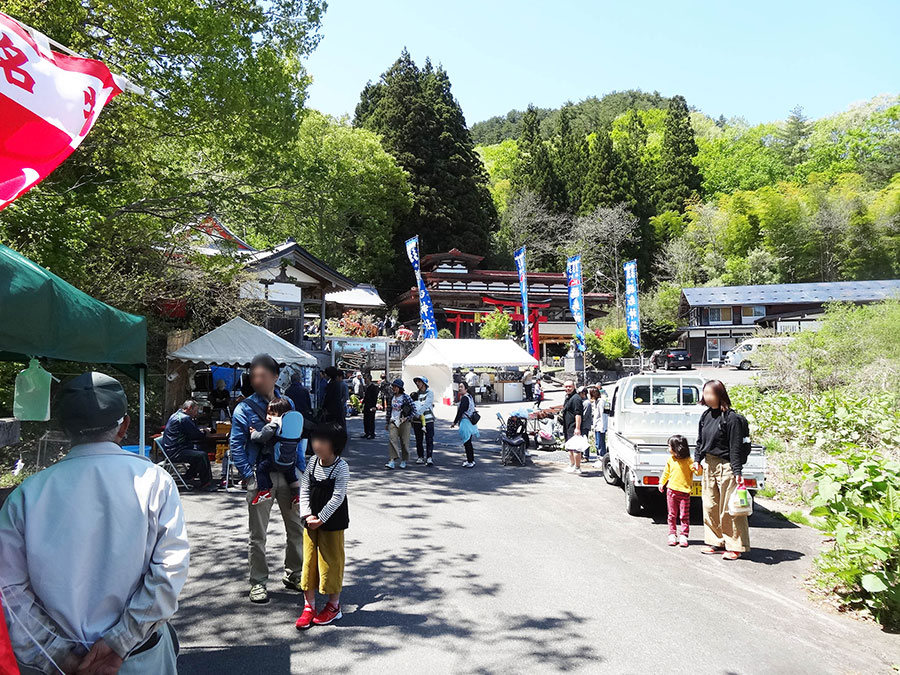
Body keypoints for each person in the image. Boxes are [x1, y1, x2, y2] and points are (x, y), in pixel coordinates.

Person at [0, 372, 189, 674]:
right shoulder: (154, 481)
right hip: (140, 659)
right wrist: (119, 641)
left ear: (63, 428)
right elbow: (169, 571)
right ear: (124, 426)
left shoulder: (26, 495)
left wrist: (56, 653)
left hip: (60, 666)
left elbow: (9, 591)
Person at [230, 354, 306, 604]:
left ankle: (294, 574)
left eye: (262, 375)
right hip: (260, 475)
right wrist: (247, 475)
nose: (257, 379)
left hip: (288, 474)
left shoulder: (288, 402)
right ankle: (258, 582)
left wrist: (301, 471)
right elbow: (237, 445)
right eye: (253, 375)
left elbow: (296, 439)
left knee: (296, 528)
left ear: (275, 376)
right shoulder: (244, 408)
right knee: (257, 534)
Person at [295, 423, 350, 630]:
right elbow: (305, 488)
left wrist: (322, 518)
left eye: (323, 441)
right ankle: (309, 606)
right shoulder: (312, 462)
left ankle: (334, 606)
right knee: (309, 561)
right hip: (311, 521)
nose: (317, 445)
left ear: (335, 445)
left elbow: (338, 497)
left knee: (332, 561)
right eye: (315, 440)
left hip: (332, 522)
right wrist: (307, 514)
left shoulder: (341, 467)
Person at [694, 379, 751, 560]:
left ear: (720, 395)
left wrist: (737, 471)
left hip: (727, 466)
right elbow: (700, 441)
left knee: (730, 508)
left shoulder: (731, 418)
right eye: (705, 393)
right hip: (709, 464)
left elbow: (735, 447)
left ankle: (735, 546)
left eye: (711, 393)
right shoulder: (705, 416)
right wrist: (697, 460)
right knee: (710, 505)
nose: (707, 397)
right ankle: (715, 541)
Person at [249, 398, 300, 505]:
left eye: (272, 414)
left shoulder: (273, 425)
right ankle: (296, 495)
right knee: (292, 476)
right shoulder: (292, 426)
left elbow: (261, 437)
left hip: (273, 459)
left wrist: (253, 433)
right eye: (268, 413)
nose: (269, 416)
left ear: (281, 415)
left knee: (261, 470)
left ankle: (264, 491)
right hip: (289, 460)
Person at [161, 399, 214, 489]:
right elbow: (196, 435)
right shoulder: (185, 418)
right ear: (189, 408)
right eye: (195, 410)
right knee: (202, 455)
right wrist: (205, 432)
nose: (196, 413)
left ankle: (189, 476)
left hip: (170, 449)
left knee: (198, 451)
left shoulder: (176, 415)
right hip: (176, 452)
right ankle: (206, 483)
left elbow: (189, 431)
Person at [660, 434, 694, 547]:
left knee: (684, 515)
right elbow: (666, 473)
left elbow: (698, 472)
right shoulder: (671, 460)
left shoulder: (689, 461)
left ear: (677, 448)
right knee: (672, 514)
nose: (668, 448)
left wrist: (698, 467)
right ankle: (672, 534)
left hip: (685, 493)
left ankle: (684, 535)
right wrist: (662, 483)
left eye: (669, 446)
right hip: (671, 491)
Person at [385, 379, 413, 469]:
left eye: (395, 387)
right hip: (393, 420)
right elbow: (389, 410)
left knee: (404, 442)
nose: (394, 388)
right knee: (392, 440)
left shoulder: (406, 397)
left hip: (404, 422)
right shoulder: (391, 397)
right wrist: (387, 421)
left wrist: (407, 418)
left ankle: (404, 460)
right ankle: (392, 460)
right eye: (393, 386)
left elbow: (414, 410)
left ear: (400, 388)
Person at [451, 381, 480, 468]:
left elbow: (460, 411)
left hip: (466, 422)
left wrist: (454, 422)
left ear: (466, 388)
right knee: (468, 442)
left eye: (461, 387)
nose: (460, 388)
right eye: (459, 387)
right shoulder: (469, 397)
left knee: (467, 442)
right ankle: (470, 460)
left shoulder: (464, 398)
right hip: (470, 422)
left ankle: (470, 460)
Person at [411, 376, 435, 466]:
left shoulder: (430, 393)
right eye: (416, 382)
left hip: (428, 419)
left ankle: (429, 457)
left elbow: (427, 404)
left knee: (429, 439)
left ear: (424, 383)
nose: (417, 384)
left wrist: (418, 413)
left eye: (419, 382)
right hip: (417, 421)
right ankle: (420, 456)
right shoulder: (416, 394)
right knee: (418, 439)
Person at [562, 380, 584, 474]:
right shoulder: (568, 397)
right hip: (567, 426)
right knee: (569, 447)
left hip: (573, 426)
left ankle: (578, 467)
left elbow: (578, 414)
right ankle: (572, 464)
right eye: (566, 386)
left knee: (576, 448)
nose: (568, 388)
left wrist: (577, 427)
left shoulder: (576, 398)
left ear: (574, 387)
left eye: (570, 386)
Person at [590, 387, 609, 467]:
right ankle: (599, 458)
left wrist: (603, 427)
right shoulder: (596, 402)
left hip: (600, 425)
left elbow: (602, 415)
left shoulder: (601, 402)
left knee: (601, 443)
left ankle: (602, 459)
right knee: (597, 443)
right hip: (597, 425)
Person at [578, 386, 593, 463]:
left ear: (584, 393)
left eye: (580, 393)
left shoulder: (587, 403)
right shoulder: (582, 401)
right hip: (582, 424)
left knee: (584, 440)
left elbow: (585, 415)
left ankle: (586, 456)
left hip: (585, 425)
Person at [361, 374, 379, 439]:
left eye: (366, 379)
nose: (365, 380)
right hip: (366, 405)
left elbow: (374, 398)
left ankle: (372, 433)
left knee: (371, 420)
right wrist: (362, 403)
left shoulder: (373, 387)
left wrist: (374, 406)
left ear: (369, 379)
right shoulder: (367, 387)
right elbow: (366, 397)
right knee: (365, 420)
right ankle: (367, 432)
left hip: (371, 406)